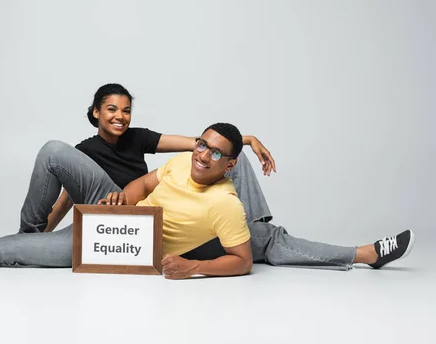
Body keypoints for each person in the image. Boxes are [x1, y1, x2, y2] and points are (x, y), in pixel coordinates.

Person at [39, 83, 415, 270]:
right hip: (129, 213)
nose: (119, 117)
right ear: (94, 113)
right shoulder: (84, 151)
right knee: (260, 237)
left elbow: (201, 145)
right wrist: (46, 230)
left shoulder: (140, 138)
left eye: (125, 110)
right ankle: (260, 236)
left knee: (237, 162)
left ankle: (254, 229)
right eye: (110, 110)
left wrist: (247, 140)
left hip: (189, 213)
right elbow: (67, 199)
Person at [0, 124, 255, 278]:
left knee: (2, 252)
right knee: (53, 149)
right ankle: (30, 235)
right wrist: (122, 197)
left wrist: (193, 266)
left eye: (216, 153)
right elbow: (141, 185)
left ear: (230, 163)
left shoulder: (226, 204)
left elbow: (242, 259)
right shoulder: (183, 161)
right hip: (114, 213)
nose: (203, 155)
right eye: (202, 144)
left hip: (124, 248)